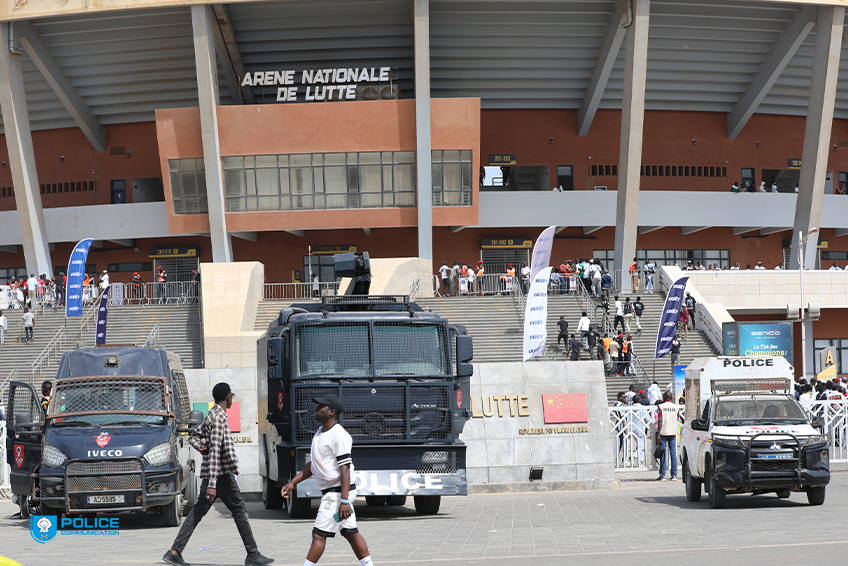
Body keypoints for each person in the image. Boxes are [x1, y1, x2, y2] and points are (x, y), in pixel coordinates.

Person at [163, 382, 273, 566]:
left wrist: (201, 448)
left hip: (215, 474)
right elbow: (215, 453)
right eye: (232, 395)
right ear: (228, 397)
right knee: (239, 510)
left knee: (199, 511)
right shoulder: (219, 418)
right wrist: (213, 483)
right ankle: (253, 554)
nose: (232, 398)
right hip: (220, 475)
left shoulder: (212, 414)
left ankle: (175, 551)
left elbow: (194, 437)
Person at [281, 395, 375, 566]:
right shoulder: (320, 433)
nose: (316, 409)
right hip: (337, 493)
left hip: (337, 494)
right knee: (350, 532)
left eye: (321, 407)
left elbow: (345, 469)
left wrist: (344, 501)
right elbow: (314, 464)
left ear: (331, 412)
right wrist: (293, 483)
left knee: (319, 535)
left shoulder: (339, 435)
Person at [657, 391, 683, 481]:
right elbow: (677, 417)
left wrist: (658, 434)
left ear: (664, 398)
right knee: (673, 453)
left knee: (663, 454)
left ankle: (662, 475)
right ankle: (674, 475)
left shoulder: (660, 407)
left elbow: (660, 420)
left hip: (663, 432)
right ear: (671, 398)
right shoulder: (676, 407)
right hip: (673, 432)